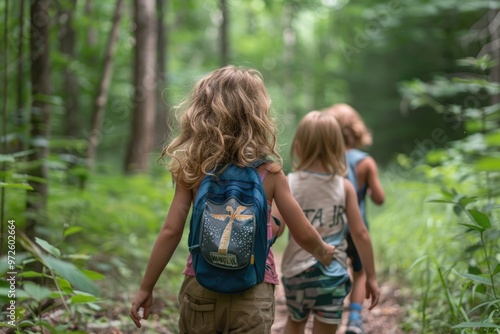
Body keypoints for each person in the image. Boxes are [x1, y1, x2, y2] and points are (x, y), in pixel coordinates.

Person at [129, 65, 336, 334]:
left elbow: (171, 231)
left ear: (201, 114)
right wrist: (323, 251)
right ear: (257, 115)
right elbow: (302, 231)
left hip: (201, 286)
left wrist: (147, 287)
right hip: (254, 288)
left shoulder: (192, 169)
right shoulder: (270, 173)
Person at [272, 111, 380, 334]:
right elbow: (360, 233)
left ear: (299, 147)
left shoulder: (289, 182)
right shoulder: (344, 187)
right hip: (332, 273)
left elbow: (277, 229)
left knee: (295, 322)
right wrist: (371, 276)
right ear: (337, 148)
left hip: (296, 273)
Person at [324, 103, 385, 334]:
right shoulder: (365, 162)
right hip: (357, 226)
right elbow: (379, 198)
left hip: (332, 226)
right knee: (359, 272)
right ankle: (355, 320)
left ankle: (329, 314)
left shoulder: (327, 160)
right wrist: (367, 187)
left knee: (334, 268)